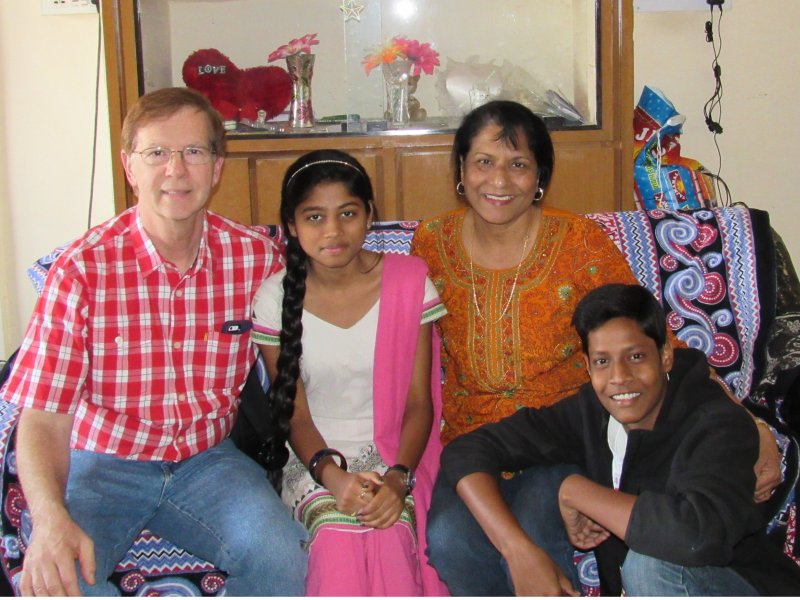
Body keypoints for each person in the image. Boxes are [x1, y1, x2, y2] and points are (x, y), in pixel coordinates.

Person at [409, 99, 783, 595]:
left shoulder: (579, 243)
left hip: (561, 438)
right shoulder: (431, 242)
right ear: (460, 169)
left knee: (539, 529)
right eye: (484, 161)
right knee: (449, 540)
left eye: (518, 164)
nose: (499, 180)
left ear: (540, 175)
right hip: (475, 441)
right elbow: (398, 338)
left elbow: (652, 342)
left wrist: (751, 422)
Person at [0, 87, 307, 596]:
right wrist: (50, 519)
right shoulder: (81, 271)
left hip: (209, 460)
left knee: (281, 555)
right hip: (104, 465)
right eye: (157, 153)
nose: (176, 170)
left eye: (194, 152)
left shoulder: (257, 260)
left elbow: (332, 297)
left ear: (217, 166)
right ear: (129, 167)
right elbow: (43, 418)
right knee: (63, 582)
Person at [441, 283, 800, 596]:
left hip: (741, 585)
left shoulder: (717, 423)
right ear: (587, 365)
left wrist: (575, 491)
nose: (619, 378)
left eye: (636, 357)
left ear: (665, 356)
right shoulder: (589, 412)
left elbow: (695, 536)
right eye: (602, 362)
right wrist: (517, 549)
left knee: (649, 564)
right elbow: (469, 450)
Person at [251, 149, 449, 596]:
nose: (333, 231)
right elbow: (295, 416)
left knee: (390, 532)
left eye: (347, 213)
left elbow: (421, 403)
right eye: (315, 217)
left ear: (369, 215)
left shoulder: (409, 281)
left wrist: (399, 479)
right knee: (337, 538)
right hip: (314, 457)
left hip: (400, 453)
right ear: (292, 224)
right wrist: (333, 477)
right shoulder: (273, 299)